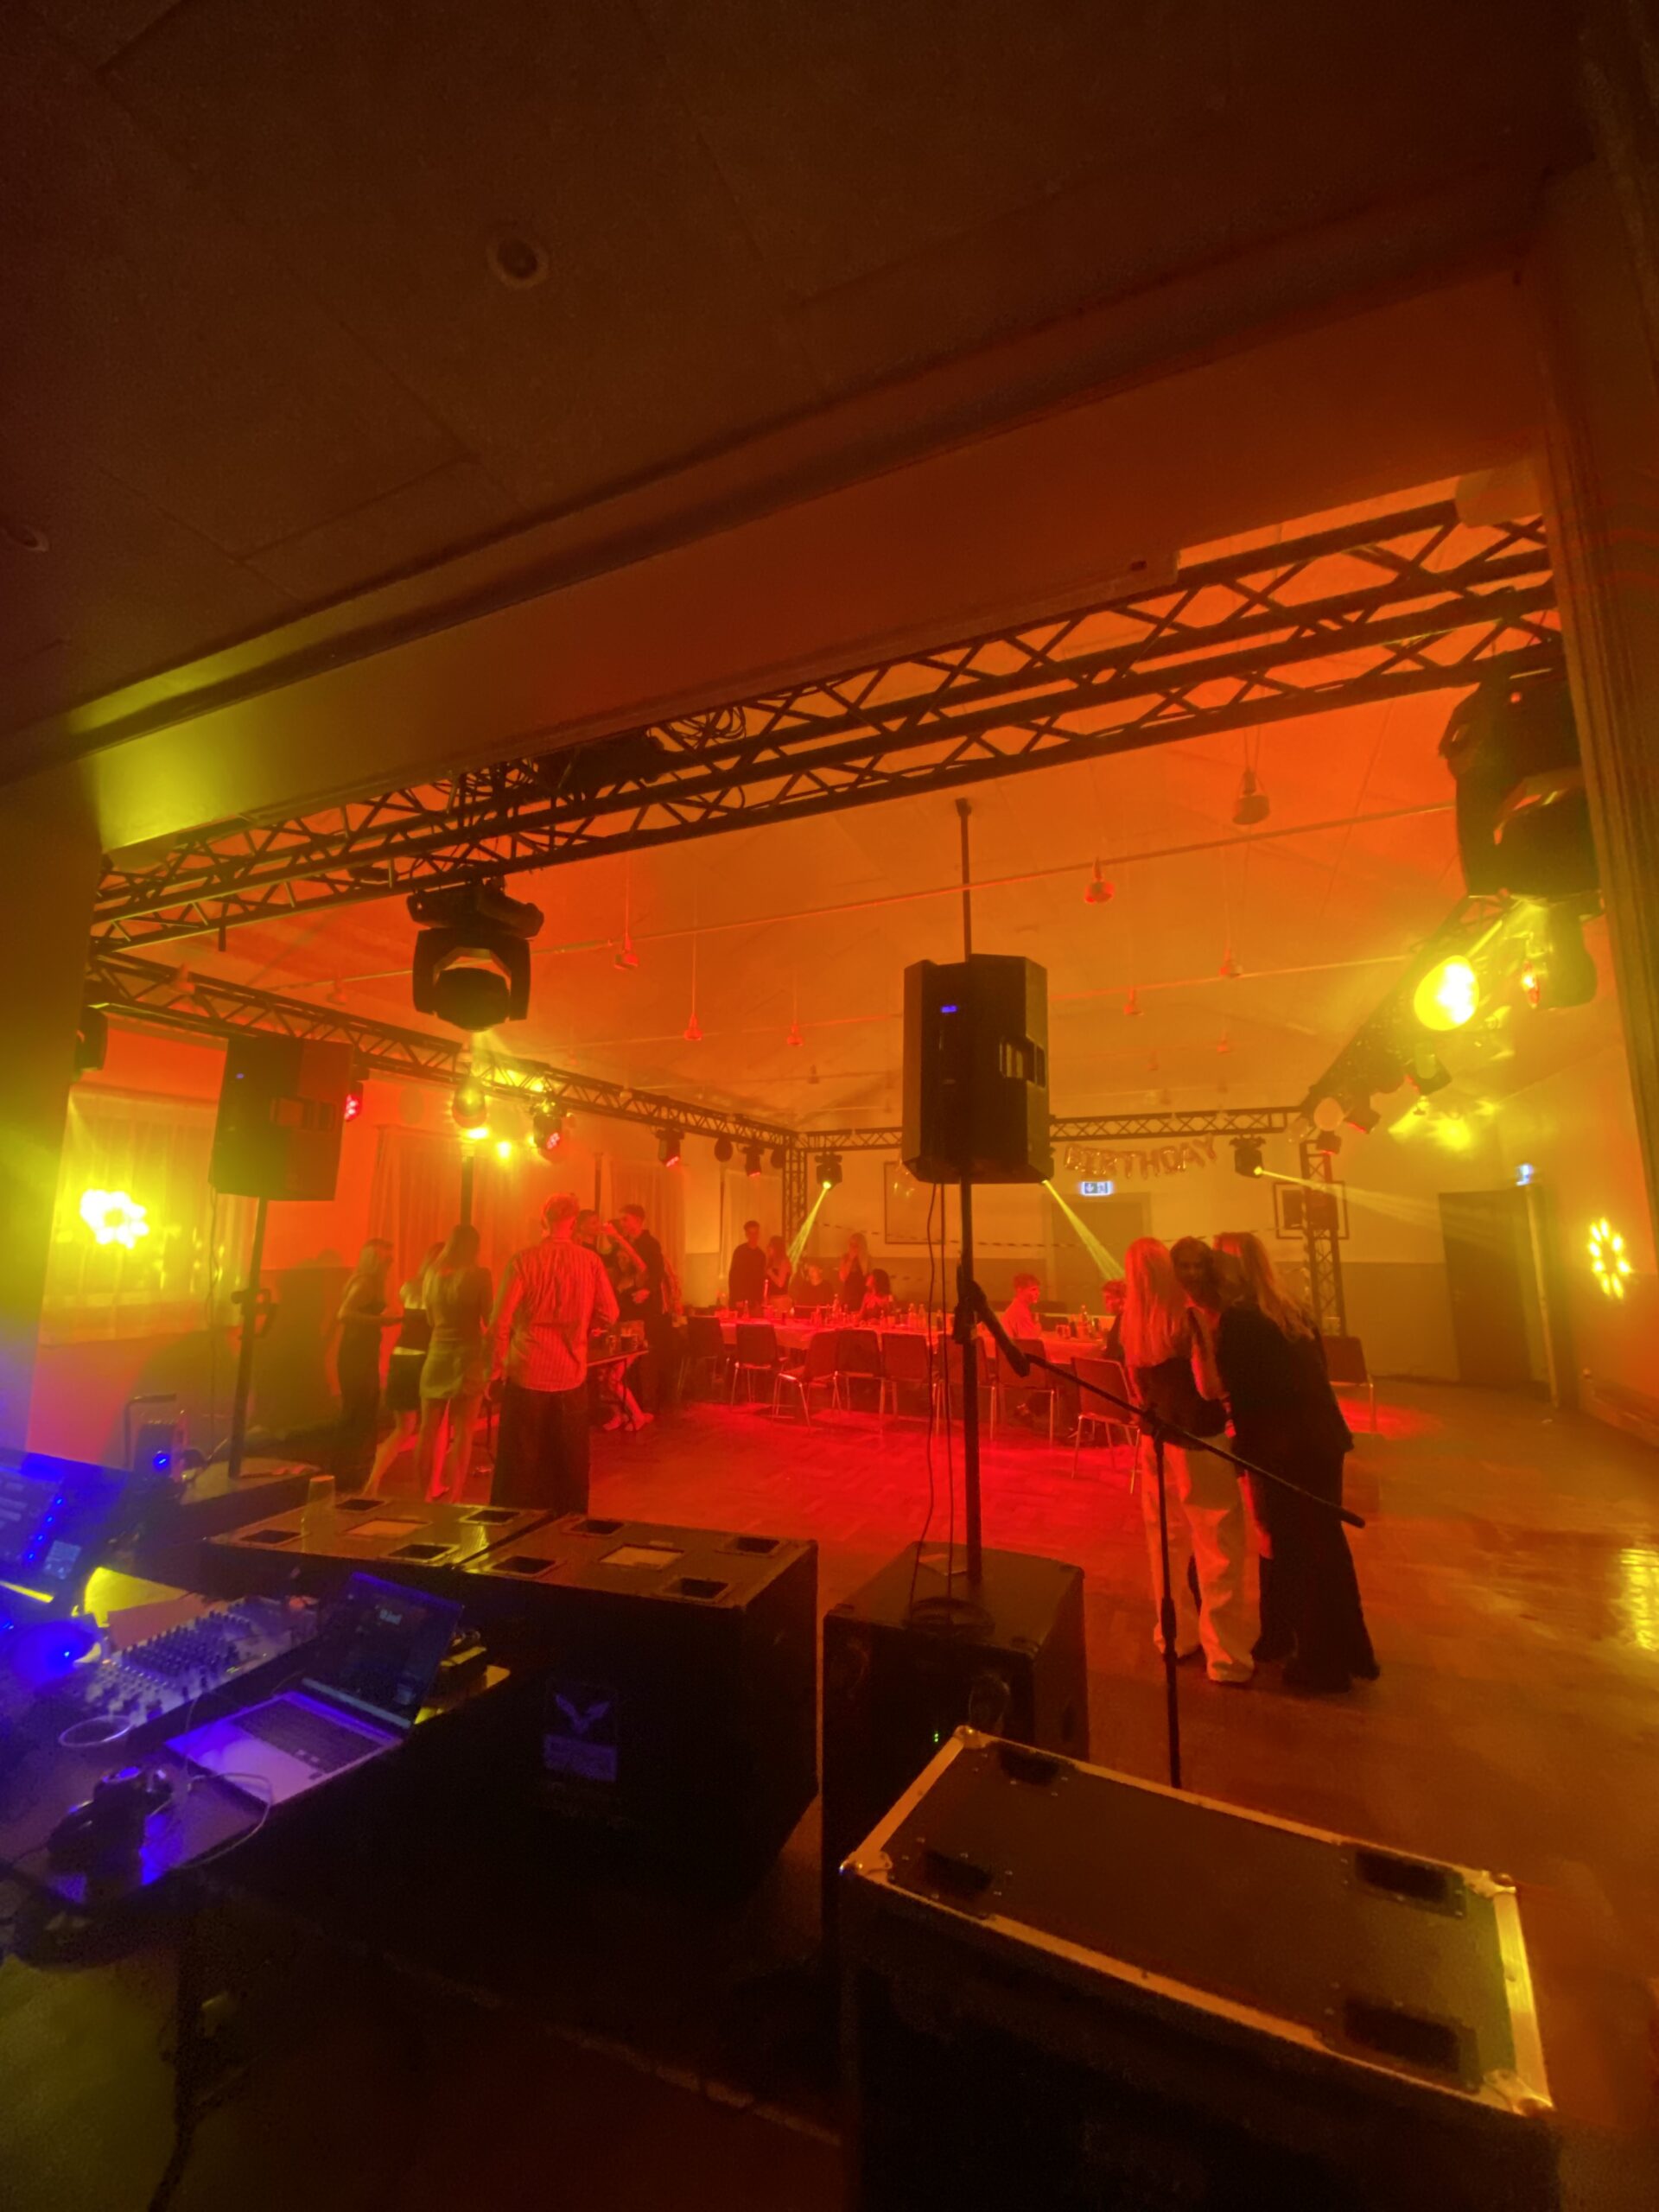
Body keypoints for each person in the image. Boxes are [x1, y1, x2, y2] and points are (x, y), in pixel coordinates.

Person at [1211, 1232, 1377, 1694]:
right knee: (1325, 1545)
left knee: (1298, 1548)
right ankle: (1334, 1648)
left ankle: (1321, 1662)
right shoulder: (1291, 1309)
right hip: (1322, 1441)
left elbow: (1241, 1396)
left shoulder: (1239, 1319)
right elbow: (1317, 1374)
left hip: (1283, 1449)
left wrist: (1242, 1458)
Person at [1109, 1236, 1256, 1685]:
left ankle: (1174, 1637)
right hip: (1200, 1439)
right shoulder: (1187, 1317)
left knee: (1165, 1545)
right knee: (1218, 1546)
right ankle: (1226, 1658)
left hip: (1155, 1441)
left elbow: (1136, 1391)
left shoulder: (1128, 1321)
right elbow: (1209, 1388)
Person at [492, 1192, 619, 1513]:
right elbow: (611, 1313)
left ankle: (513, 1529)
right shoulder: (590, 1261)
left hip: (527, 1372)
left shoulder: (523, 1260)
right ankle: (566, 1529)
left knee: (519, 1468)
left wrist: (498, 1364)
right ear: (573, 1223)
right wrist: (589, 1327)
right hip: (570, 1375)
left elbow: (500, 1322)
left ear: (543, 1221)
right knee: (568, 1468)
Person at [417, 1224, 493, 1500]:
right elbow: (489, 1318)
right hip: (468, 1354)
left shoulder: (432, 1275)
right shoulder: (479, 1275)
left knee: (427, 1431)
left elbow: (430, 1318)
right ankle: (455, 1495)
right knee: (463, 1432)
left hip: (437, 1352)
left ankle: (424, 1495)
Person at [365, 1240, 442, 1494]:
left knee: (403, 1428)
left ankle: (372, 1482)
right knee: (433, 1427)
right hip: (425, 1358)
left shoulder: (408, 1286)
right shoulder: (439, 1290)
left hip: (400, 1356)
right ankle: (429, 1487)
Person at [334, 1238, 396, 1488]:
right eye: (385, 1259)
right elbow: (344, 1313)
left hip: (361, 1352)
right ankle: (346, 1470)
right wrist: (382, 1321)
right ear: (373, 1260)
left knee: (362, 1410)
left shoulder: (368, 1282)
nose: (389, 1263)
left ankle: (351, 1469)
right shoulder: (365, 1284)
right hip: (356, 1354)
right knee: (358, 1411)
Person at [615, 1201, 678, 1409]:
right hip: (629, 1305)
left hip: (647, 1308)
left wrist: (647, 1290)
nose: (622, 1223)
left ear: (638, 1220)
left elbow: (657, 1271)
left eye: (625, 1219)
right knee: (629, 1354)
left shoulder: (650, 1243)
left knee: (645, 1353)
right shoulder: (624, 1242)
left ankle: (648, 1404)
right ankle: (632, 1404)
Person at [728, 1219, 767, 1313]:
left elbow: (761, 1278)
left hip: (755, 1300)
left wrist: (760, 1299)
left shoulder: (761, 1255)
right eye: (750, 1233)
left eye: (755, 1233)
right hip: (740, 1298)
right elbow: (733, 1276)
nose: (753, 1236)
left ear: (758, 1234)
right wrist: (736, 1297)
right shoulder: (739, 1252)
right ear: (746, 1234)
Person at [1001, 1272, 1043, 1338]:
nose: (1038, 1293)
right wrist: (1038, 1327)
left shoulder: (1018, 1307)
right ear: (1020, 1290)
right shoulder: (1019, 1311)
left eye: (1038, 1290)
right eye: (1033, 1289)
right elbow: (1029, 1340)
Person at [838, 1232, 869, 1313]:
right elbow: (842, 1278)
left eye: (856, 1245)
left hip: (862, 1296)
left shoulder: (868, 1258)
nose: (852, 1247)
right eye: (851, 1245)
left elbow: (866, 1275)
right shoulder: (845, 1258)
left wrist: (861, 1258)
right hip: (848, 1295)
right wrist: (850, 1260)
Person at [764, 1235, 793, 1307]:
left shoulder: (784, 1262)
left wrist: (771, 1273)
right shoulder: (771, 1262)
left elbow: (780, 1283)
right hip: (771, 1299)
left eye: (771, 1246)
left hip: (781, 1300)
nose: (769, 1248)